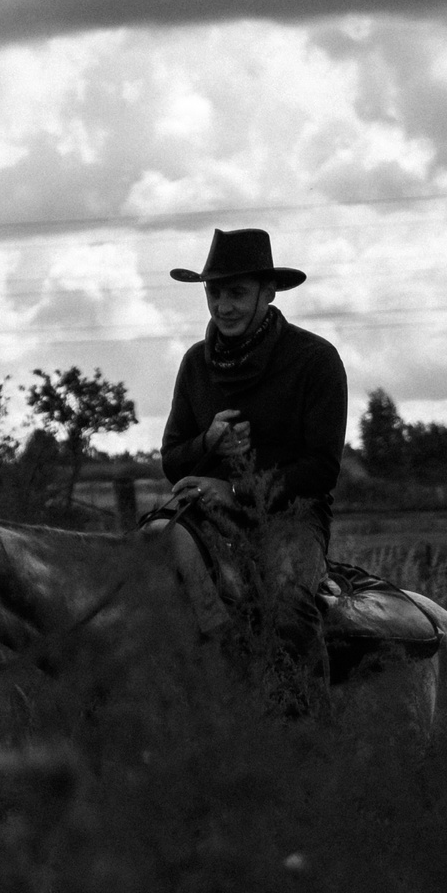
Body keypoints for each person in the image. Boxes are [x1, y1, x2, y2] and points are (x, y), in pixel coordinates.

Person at [160, 227, 347, 688]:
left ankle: (306, 727)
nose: (223, 306)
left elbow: (322, 469)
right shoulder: (194, 364)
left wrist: (237, 488)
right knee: (139, 585)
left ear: (268, 292)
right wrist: (209, 444)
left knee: (286, 605)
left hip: (290, 517)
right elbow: (172, 461)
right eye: (214, 292)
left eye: (237, 293)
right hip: (201, 516)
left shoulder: (315, 360)